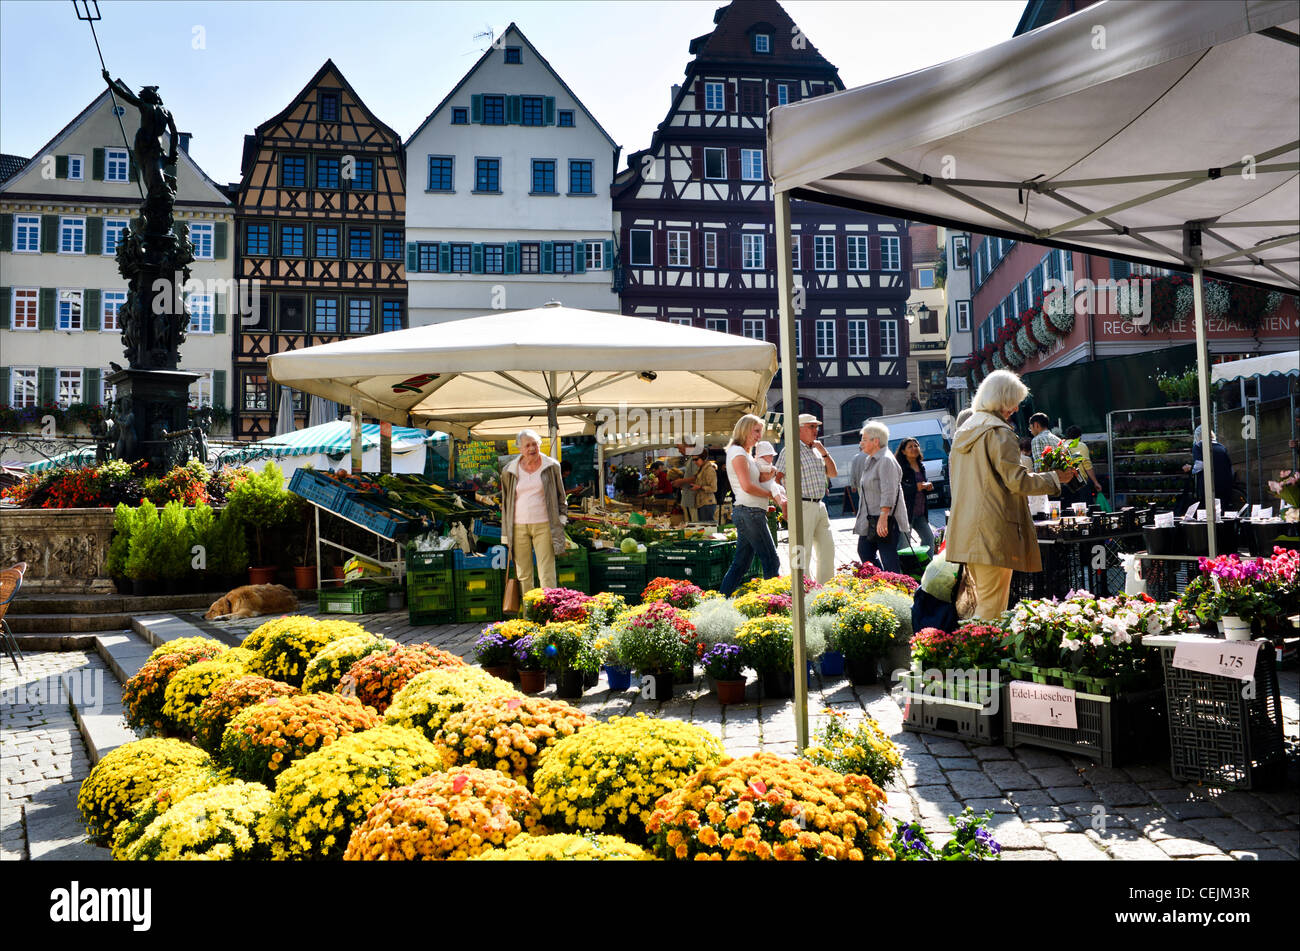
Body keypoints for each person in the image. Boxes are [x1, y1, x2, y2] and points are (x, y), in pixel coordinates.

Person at [946, 371, 1075, 620]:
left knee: (978, 605)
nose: (1015, 409)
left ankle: (971, 654)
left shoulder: (966, 430)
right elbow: (1016, 481)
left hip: (967, 529)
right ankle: (983, 657)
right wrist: (1055, 477)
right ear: (1001, 400)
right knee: (991, 610)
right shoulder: (998, 432)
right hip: (993, 531)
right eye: (1013, 402)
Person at [719, 414, 786, 596]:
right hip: (750, 512)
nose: (759, 436)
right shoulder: (739, 453)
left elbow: (753, 482)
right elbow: (747, 486)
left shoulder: (742, 453)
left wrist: (767, 476)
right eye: (756, 431)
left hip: (748, 511)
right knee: (771, 560)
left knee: (741, 564)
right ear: (745, 429)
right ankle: (776, 604)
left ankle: (718, 602)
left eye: (760, 432)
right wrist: (771, 495)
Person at [500, 429, 568, 594]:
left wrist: (562, 519)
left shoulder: (551, 466)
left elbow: (561, 495)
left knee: (547, 572)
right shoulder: (509, 470)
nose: (532, 448)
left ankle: (549, 611)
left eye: (534, 444)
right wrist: (505, 534)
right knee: (524, 574)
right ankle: (529, 614)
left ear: (539, 445)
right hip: (518, 527)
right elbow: (506, 503)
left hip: (545, 524)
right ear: (520, 449)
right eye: (527, 445)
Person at [773, 413, 838, 584]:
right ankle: (802, 589)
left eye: (816, 426)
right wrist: (784, 503)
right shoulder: (790, 449)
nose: (816, 430)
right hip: (801, 504)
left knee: (827, 549)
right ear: (799, 429)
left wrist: (824, 452)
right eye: (811, 426)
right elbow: (776, 479)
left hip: (819, 505)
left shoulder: (816, 450)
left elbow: (832, 473)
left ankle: (825, 589)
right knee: (801, 551)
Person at [853, 421, 910, 572]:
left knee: (888, 558)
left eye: (864, 439)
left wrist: (884, 516)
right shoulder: (870, 459)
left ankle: (894, 588)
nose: (861, 443)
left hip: (885, 519)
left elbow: (889, 490)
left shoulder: (885, 460)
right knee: (864, 551)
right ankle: (882, 582)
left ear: (875, 441)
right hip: (871, 519)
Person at [895, 437, 936, 555]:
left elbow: (921, 487)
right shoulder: (900, 467)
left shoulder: (921, 466)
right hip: (906, 513)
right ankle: (902, 572)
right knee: (904, 546)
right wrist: (916, 487)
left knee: (929, 539)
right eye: (910, 447)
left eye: (916, 446)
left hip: (920, 512)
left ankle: (926, 568)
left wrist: (928, 488)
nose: (914, 448)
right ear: (903, 451)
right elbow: (898, 488)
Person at [1183, 426, 1235, 509]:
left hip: (1209, 483)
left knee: (1208, 508)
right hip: (1225, 482)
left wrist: (1191, 469)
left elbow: (1200, 465)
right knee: (1223, 507)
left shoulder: (1198, 446)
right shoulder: (1222, 447)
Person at [1066, 425, 1103, 504]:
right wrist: (1096, 482)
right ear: (1079, 436)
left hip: (1065, 484)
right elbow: (1087, 466)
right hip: (1080, 483)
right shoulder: (1081, 445)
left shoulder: (1062, 446)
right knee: (1084, 509)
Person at [673, 443, 703, 522]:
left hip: (694, 498)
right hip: (690, 498)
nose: (679, 451)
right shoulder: (691, 458)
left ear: (687, 446)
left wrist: (681, 481)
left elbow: (697, 478)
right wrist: (682, 483)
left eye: (680, 448)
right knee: (691, 522)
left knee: (694, 523)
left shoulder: (695, 458)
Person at [692, 451, 719, 523]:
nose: (694, 462)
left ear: (703, 458)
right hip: (702, 503)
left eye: (696, 459)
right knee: (703, 528)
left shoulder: (709, 470)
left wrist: (700, 487)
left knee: (707, 527)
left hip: (707, 503)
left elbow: (714, 488)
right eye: (693, 460)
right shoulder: (701, 469)